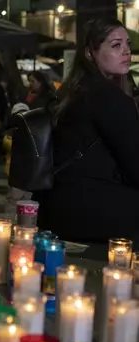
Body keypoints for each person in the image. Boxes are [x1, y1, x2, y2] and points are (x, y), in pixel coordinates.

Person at [36, 19, 139, 242]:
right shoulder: (110, 98)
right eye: (115, 45)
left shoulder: (70, 93)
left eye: (127, 44)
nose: (126, 52)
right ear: (90, 53)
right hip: (96, 212)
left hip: (55, 206)